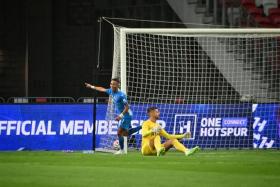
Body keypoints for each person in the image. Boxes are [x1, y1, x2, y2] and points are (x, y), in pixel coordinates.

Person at [85, 78, 141, 154]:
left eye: (114, 84)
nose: (112, 85)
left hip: (126, 115)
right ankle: (142, 126)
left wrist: (120, 116)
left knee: (119, 133)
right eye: (111, 84)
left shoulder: (122, 95)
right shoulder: (111, 91)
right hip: (123, 115)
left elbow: (127, 107)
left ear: (118, 85)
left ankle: (121, 150)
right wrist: (91, 86)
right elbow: (102, 89)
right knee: (125, 134)